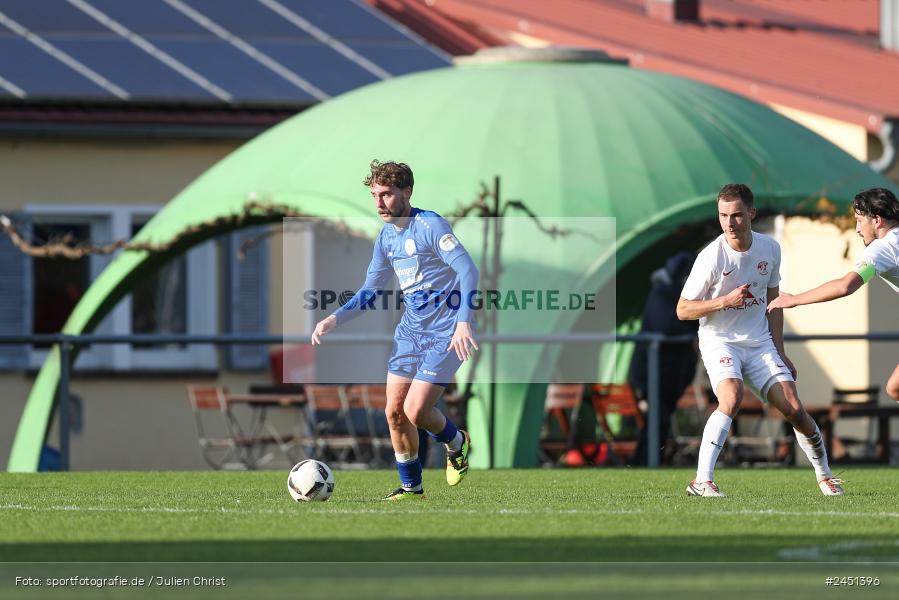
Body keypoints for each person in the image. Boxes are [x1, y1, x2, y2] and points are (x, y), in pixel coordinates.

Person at [311, 160, 479, 500]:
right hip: (411, 333)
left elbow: (468, 270)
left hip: (446, 330)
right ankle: (411, 489)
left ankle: (457, 442)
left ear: (407, 191)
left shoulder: (430, 225)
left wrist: (464, 321)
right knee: (394, 412)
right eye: (375, 195)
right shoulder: (386, 238)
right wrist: (334, 319)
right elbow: (370, 291)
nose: (379, 203)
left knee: (417, 410)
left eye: (386, 194)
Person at [676, 183, 843, 497]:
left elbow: (773, 304)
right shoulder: (712, 257)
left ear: (751, 213)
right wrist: (723, 302)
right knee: (731, 397)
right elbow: (683, 309)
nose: (729, 222)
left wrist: (780, 352)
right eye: (724, 215)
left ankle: (825, 477)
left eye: (737, 215)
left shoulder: (770, 248)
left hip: (759, 343)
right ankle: (701, 481)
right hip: (720, 340)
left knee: (794, 408)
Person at [768, 187, 899, 403]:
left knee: (895, 388)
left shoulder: (882, 249)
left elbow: (844, 286)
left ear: (876, 220)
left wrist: (794, 299)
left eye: (859, 220)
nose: (857, 229)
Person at [628, 251, 699, 465]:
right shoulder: (662, 292)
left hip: (671, 373)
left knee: (660, 421)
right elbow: (666, 326)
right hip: (653, 372)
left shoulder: (676, 292)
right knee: (656, 421)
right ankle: (646, 463)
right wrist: (694, 329)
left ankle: (648, 463)